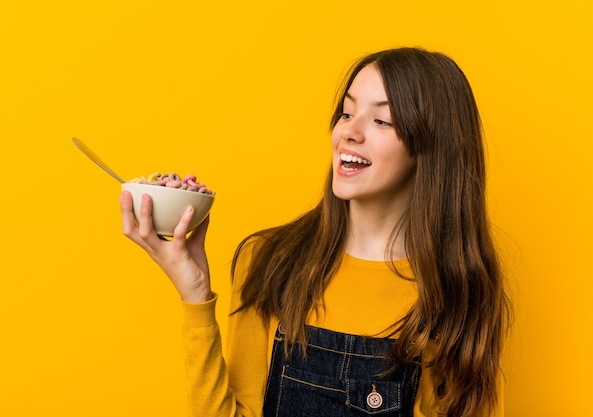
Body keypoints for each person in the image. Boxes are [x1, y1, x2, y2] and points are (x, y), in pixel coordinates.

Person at [119, 47, 511, 417]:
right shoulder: (271, 261)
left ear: (430, 148)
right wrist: (195, 296)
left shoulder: (457, 292)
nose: (349, 133)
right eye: (346, 113)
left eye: (381, 120)